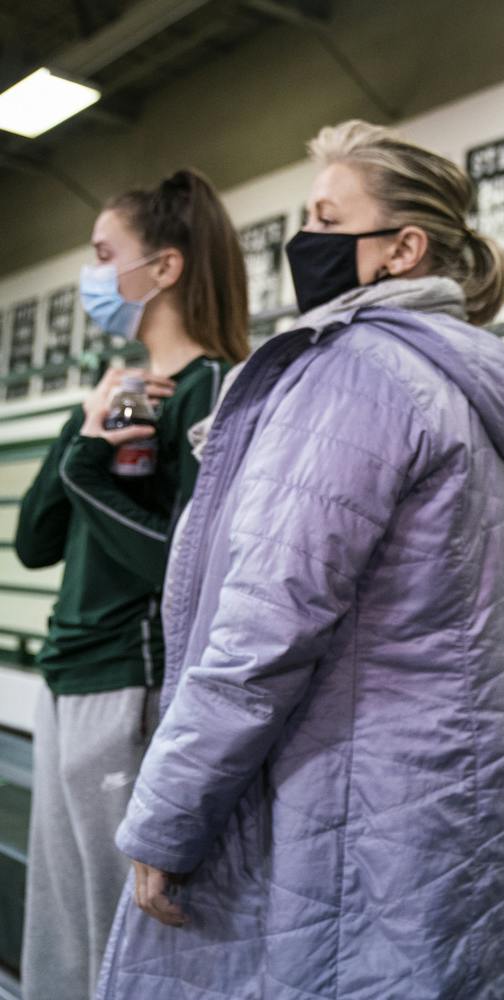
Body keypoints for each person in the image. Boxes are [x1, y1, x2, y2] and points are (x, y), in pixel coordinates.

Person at [95, 120, 504, 999]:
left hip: (346, 813)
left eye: (328, 218)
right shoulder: (450, 379)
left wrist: (167, 818)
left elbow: (265, 622)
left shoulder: (357, 374)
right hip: (436, 803)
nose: (306, 242)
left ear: (400, 249)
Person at [15, 169, 248, 1000]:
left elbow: (183, 567)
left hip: (133, 685)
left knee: (125, 935)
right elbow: (34, 541)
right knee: (63, 926)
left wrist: (88, 462)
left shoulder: (210, 388)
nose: (92, 275)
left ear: (166, 268)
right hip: (68, 675)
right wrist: (82, 430)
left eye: (104, 255)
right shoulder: (116, 391)